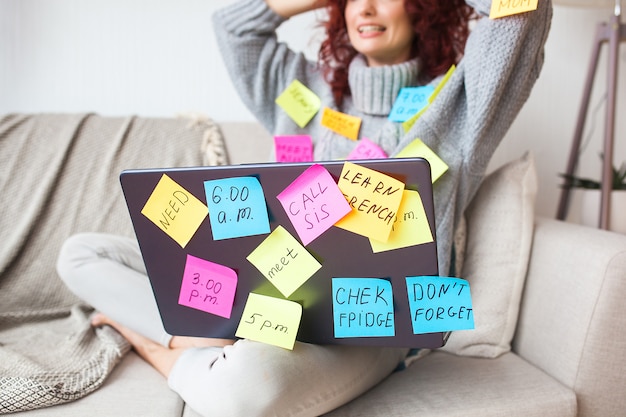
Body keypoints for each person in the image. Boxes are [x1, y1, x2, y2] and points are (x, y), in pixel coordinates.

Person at [56, 0, 552, 416]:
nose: (367, 7)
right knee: (80, 254)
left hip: (371, 330)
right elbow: (233, 25)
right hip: (266, 301)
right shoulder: (301, 91)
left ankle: (151, 339)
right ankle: (206, 341)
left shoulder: (462, 105)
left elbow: (524, 11)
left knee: (237, 394)